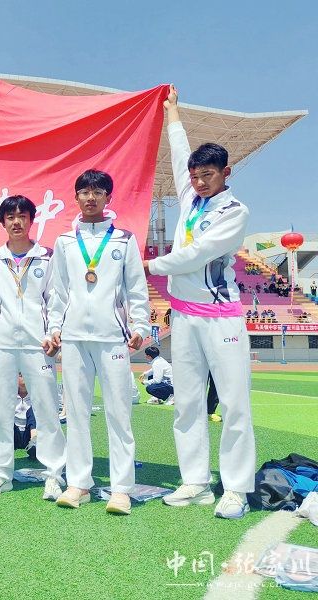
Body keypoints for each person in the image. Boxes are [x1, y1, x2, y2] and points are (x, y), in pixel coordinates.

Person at [145, 85, 255, 520]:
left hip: (221, 318)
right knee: (187, 403)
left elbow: (197, 254)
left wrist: (151, 265)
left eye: (208, 174)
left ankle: (236, 488)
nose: (199, 181)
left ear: (226, 172)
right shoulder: (190, 197)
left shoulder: (235, 212)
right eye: (195, 175)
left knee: (233, 404)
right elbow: (179, 154)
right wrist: (173, 112)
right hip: (184, 317)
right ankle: (195, 482)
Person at [50, 169, 150, 515]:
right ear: (76, 197)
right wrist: (54, 327)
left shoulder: (123, 240)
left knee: (118, 413)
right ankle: (79, 483)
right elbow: (58, 291)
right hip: (74, 337)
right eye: (84, 192)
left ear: (108, 197)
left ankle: (121, 488)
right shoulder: (65, 242)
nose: (90, 197)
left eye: (97, 192)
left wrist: (140, 325)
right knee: (76, 413)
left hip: (112, 338)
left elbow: (136, 287)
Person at [0, 194, 66, 499]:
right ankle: (0, 473)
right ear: (2, 222)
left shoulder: (46, 257)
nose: (16, 222)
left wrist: (53, 332)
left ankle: (54, 473)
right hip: (1, 343)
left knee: (47, 410)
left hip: (38, 343)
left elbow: (55, 299)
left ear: (31, 220)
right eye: (10, 217)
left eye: (22, 217)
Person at [0, 374, 38, 460]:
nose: (24, 377)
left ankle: (34, 443)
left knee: (33, 410)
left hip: (30, 433)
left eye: (25, 373)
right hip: (13, 432)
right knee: (2, 409)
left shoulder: (36, 394)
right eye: (20, 375)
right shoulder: (8, 394)